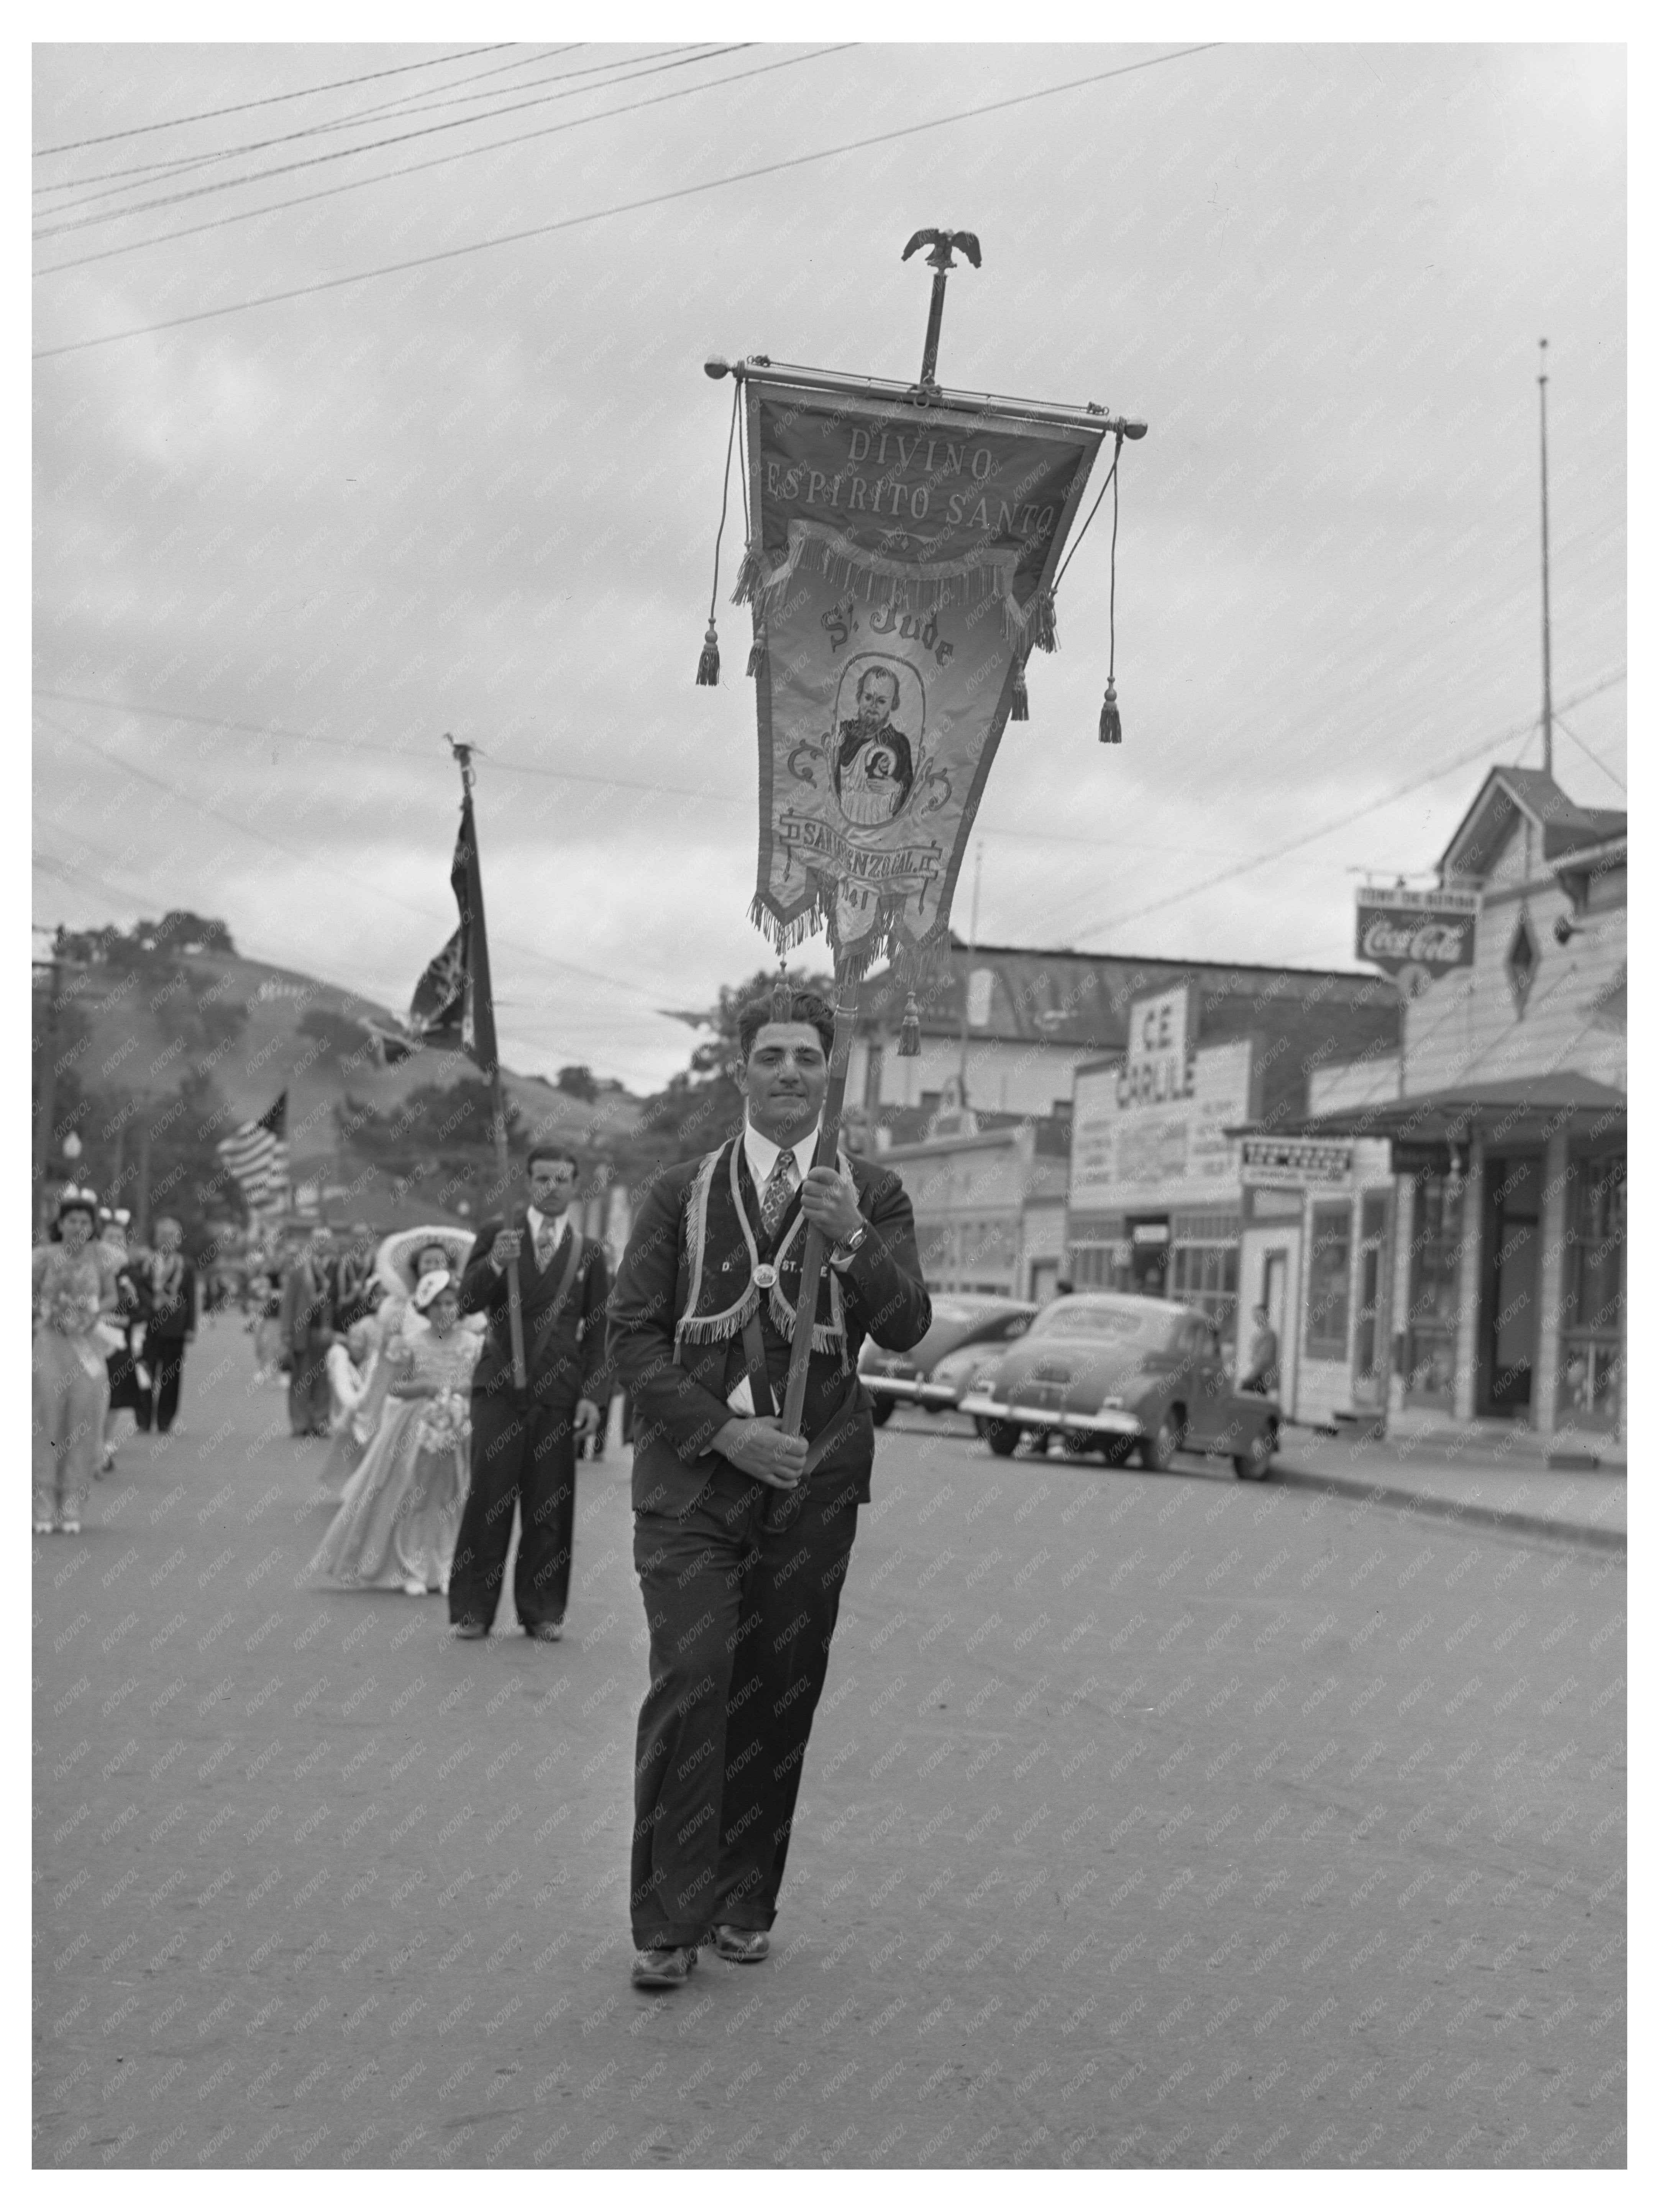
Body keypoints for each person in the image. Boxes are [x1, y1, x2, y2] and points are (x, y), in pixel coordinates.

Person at [608, 988, 932, 1991]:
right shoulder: (678, 1193)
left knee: (776, 1692)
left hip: (811, 1481)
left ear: (828, 1073)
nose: (789, 1070)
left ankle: (743, 1900)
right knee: (695, 1675)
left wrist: (856, 1239)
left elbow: (907, 1326)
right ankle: (668, 1920)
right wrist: (723, 1432)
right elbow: (630, 1338)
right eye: (771, 1055)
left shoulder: (871, 1192)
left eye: (806, 1056)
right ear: (740, 1070)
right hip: (693, 1484)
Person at [448, 1150, 608, 1643]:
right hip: (499, 1386)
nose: (552, 1187)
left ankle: (541, 1609)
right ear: (528, 1181)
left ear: (575, 1185)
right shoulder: (499, 1233)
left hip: (558, 1392)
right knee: (489, 1498)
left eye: (561, 1179)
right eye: (543, 1178)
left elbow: (599, 1331)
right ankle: (474, 1609)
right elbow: (466, 1302)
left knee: (549, 1506)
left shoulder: (588, 1252)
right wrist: (496, 1263)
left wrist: (594, 1396)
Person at [309, 1272, 479, 1595]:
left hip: (459, 1423)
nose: (445, 1310)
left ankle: (446, 1567)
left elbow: (482, 1383)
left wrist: (460, 1391)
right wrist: (424, 1388)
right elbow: (396, 1386)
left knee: (453, 1497)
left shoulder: (473, 1344)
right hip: (417, 1425)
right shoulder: (411, 1343)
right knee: (415, 1495)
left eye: (451, 1303)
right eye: (438, 1305)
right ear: (425, 1309)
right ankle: (411, 1567)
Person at [33, 1187, 119, 1535]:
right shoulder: (43, 1257)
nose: (79, 1227)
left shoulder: (103, 1258)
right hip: (50, 1345)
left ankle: (72, 1505)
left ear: (93, 1226)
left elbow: (112, 1295)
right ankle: (42, 1504)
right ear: (61, 1223)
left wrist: (91, 1313)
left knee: (81, 1423)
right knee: (46, 1421)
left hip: (86, 1347)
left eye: (85, 1221)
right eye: (72, 1220)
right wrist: (48, 1310)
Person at [95, 1209, 149, 1469]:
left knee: (115, 1395)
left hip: (119, 1342)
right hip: (91, 1340)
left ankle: (105, 1442)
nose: (114, 1242)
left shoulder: (132, 1274)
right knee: (92, 1392)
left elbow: (145, 1308)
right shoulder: (89, 1269)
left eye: (119, 1238)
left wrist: (126, 1320)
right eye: (109, 1237)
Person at [832, 665, 915, 827]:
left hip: (880, 824)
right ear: (859, 697)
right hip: (842, 821)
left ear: (893, 703)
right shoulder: (844, 732)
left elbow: (910, 785)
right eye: (868, 698)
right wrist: (834, 753)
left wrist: (896, 788)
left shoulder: (899, 743)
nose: (873, 706)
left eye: (882, 701)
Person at [317, 1316, 384, 1496]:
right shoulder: (340, 1358)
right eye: (353, 1339)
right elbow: (343, 1392)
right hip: (347, 1414)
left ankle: (362, 1488)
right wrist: (356, 1406)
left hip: (365, 1414)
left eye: (361, 1340)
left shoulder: (373, 1361)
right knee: (347, 1451)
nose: (357, 1345)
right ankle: (352, 1488)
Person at [142, 1216, 197, 1434]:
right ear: (156, 1238)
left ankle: (165, 1418)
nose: (167, 1240)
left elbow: (191, 1298)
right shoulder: (146, 1264)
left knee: (171, 1376)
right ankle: (144, 1417)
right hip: (149, 1326)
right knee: (145, 1371)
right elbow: (139, 1293)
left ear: (179, 1240)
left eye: (172, 1236)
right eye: (163, 1235)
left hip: (175, 1328)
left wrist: (191, 1328)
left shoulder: (186, 1266)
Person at [281, 1227, 336, 1437]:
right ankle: (300, 1423)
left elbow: (333, 1302)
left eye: (325, 1240)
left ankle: (320, 1421)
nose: (321, 1243)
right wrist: (286, 1331)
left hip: (326, 1331)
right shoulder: (299, 1268)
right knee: (301, 1378)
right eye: (318, 1239)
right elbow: (289, 1301)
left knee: (324, 1379)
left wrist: (329, 1327)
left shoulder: (336, 1268)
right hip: (302, 1331)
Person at [1239, 1302, 1280, 1395]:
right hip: (1256, 1375)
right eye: (1255, 1316)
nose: (1257, 1319)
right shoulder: (1257, 1334)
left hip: (1263, 1378)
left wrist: (1250, 1377)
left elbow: (1263, 1359)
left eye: (1260, 1316)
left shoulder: (1269, 1335)